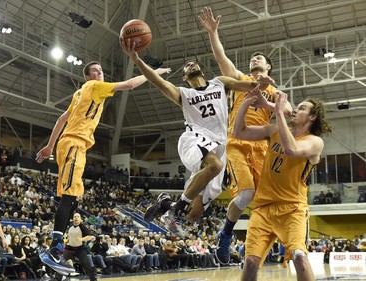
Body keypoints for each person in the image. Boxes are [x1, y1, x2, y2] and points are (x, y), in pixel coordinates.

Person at [120, 35, 273, 238]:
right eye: (186, 67)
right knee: (215, 166)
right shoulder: (183, 93)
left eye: (193, 63)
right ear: (185, 77)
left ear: (201, 69)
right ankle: (174, 212)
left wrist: (262, 83)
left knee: (195, 213)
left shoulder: (219, 83)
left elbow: (250, 87)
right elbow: (155, 80)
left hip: (220, 145)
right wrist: (137, 60)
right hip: (195, 139)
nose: (190, 65)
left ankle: (168, 204)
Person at [35, 60, 170, 274]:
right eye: (95, 71)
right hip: (74, 144)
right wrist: (154, 73)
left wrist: (49, 147)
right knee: (69, 197)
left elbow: (62, 119)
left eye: (101, 70)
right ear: (88, 77)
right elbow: (130, 84)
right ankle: (54, 250)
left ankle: (57, 250)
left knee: (73, 199)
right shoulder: (94, 87)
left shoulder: (80, 93)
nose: (100, 73)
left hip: (71, 145)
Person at [199, 6, 293, 264]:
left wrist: (270, 104)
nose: (255, 60)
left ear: (268, 66)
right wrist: (213, 33)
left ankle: (273, 238)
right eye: (253, 59)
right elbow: (221, 59)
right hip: (237, 142)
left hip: (262, 145)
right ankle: (226, 235)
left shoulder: (274, 89)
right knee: (246, 195)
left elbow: (289, 112)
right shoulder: (240, 79)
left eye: (260, 58)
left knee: (268, 198)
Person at [233, 89, 332, 281]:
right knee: (251, 262)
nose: (295, 110)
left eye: (302, 108)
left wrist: (278, 111)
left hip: (292, 209)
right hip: (263, 208)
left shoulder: (314, 142)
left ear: (312, 117)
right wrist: (246, 102)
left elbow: (291, 149)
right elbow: (239, 132)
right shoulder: (275, 130)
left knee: (300, 259)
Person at [62, 213, 96, 281]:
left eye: (78, 217)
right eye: (75, 216)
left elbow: (90, 237)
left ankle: (93, 279)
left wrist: (81, 239)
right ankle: (58, 278)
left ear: (80, 219)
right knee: (62, 261)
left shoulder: (82, 227)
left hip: (80, 248)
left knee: (85, 264)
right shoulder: (70, 225)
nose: (76, 218)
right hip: (70, 248)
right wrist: (67, 240)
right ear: (73, 218)